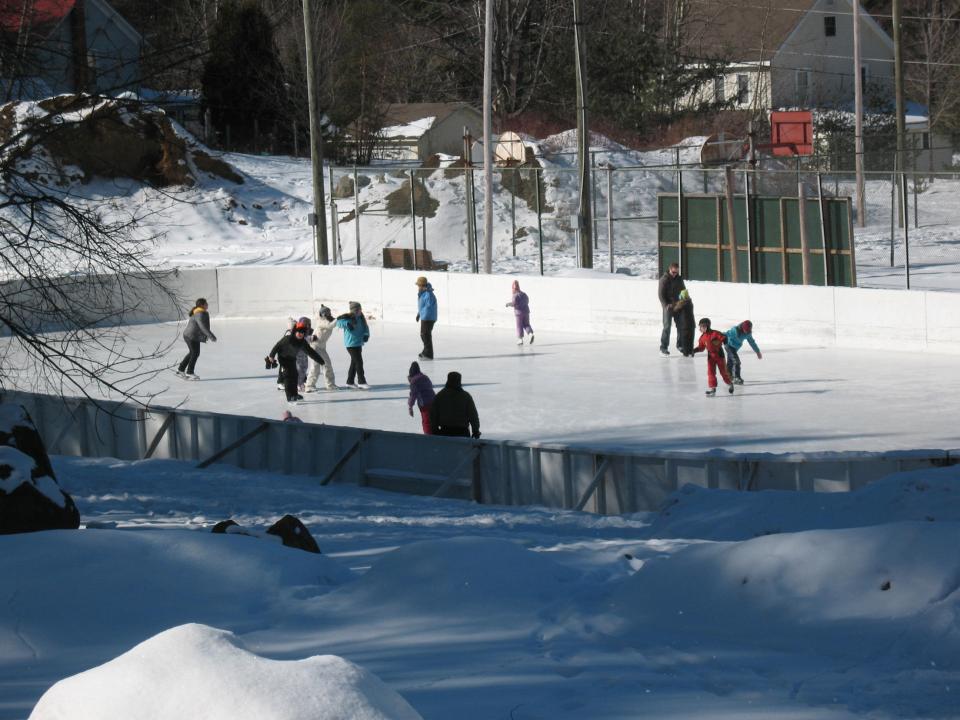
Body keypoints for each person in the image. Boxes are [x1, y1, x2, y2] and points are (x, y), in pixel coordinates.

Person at [266, 320, 327, 402]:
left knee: (294, 376)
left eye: (302, 332)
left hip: (292, 359)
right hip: (283, 359)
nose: (300, 334)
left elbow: (311, 352)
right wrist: (271, 356)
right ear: (295, 332)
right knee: (288, 377)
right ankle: (289, 397)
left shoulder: (302, 342)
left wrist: (321, 361)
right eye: (298, 332)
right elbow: (277, 346)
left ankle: (295, 394)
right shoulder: (287, 339)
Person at [429, 371, 481, 438]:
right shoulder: (466, 396)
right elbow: (473, 415)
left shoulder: (440, 396)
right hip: (462, 433)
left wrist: (434, 429)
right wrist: (475, 430)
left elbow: (433, 415)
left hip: (444, 432)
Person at [692, 317, 734, 397]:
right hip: (710, 356)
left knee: (723, 372)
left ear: (708, 326)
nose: (702, 328)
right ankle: (712, 389)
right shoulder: (702, 338)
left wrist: (724, 343)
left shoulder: (715, 333)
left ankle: (730, 383)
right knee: (710, 373)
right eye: (700, 326)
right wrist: (694, 350)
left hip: (719, 355)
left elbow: (724, 337)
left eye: (703, 326)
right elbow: (701, 348)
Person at [176, 298, 217, 380]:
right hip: (191, 336)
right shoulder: (200, 313)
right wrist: (211, 336)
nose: (207, 305)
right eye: (206, 303)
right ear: (202, 305)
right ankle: (190, 372)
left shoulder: (201, 312)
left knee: (193, 353)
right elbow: (202, 326)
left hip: (193, 336)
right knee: (195, 353)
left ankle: (180, 370)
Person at [336, 301, 370, 389]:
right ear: (354, 310)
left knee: (354, 363)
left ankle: (350, 382)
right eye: (359, 309)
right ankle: (361, 382)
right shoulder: (348, 318)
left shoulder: (361, 318)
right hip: (350, 344)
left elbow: (366, 327)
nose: (360, 311)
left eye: (360, 309)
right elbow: (338, 322)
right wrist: (347, 324)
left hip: (358, 343)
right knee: (359, 362)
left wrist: (366, 334)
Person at [304, 305, 338, 392]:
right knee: (317, 366)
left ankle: (330, 385)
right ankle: (309, 386)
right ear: (323, 314)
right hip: (315, 346)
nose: (329, 314)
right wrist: (339, 319)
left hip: (321, 347)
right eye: (327, 313)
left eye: (329, 313)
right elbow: (330, 326)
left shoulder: (327, 320)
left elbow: (333, 323)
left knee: (326, 365)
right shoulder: (321, 321)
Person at [658, 262, 686, 357]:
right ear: (670, 270)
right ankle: (663, 348)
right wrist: (665, 305)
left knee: (681, 326)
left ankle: (680, 346)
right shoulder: (664, 279)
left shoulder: (679, 279)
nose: (675, 274)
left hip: (677, 306)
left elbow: (683, 290)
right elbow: (661, 295)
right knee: (667, 327)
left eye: (676, 272)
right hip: (668, 307)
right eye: (673, 272)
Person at [724, 320, 762, 385]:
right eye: (745, 330)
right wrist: (715, 337)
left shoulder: (748, 334)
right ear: (742, 328)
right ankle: (736, 377)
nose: (746, 332)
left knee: (730, 362)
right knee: (736, 361)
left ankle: (728, 376)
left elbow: (752, 342)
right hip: (729, 346)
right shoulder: (735, 330)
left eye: (748, 330)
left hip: (735, 348)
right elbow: (726, 333)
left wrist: (757, 352)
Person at [406, 361, 436, 435]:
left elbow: (413, 395)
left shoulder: (414, 382)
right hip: (434, 401)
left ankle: (428, 437)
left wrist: (410, 407)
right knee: (433, 420)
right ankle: (435, 434)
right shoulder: (425, 377)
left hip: (425, 404)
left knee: (426, 422)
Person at [505, 280, 534, 345]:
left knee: (519, 326)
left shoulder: (515, 295)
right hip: (526, 311)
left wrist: (508, 304)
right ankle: (530, 334)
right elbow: (527, 301)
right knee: (526, 324)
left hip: (519, 313)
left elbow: (514, 303)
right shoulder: (524, 294)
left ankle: (520, 339)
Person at [415, 276, 437, 360]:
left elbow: (428, 307)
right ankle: (427, 352)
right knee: (424, 335)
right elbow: (422, 306)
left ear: (423, 285)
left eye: (419, 285)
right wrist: (419, 314)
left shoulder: (428, 294)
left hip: (428, 318)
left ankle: (428, 353)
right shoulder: (423, 293)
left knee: (425, 335)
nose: (418, 287)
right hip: (425, 317)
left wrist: (424, 316)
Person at [674, 288, 695, 357]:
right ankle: (691, 351)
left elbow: (675, 310)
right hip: (692, 325)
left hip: (684, 326)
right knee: (691, 338)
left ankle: (686, 352)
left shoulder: (682, 304)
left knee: (685, 339)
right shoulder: (690, 302)